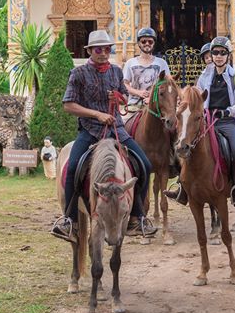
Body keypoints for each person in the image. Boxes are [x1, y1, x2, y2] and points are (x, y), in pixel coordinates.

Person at [51, 30, 157, 241]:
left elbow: (124, 98)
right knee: (72, 168)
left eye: (107, 49)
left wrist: (118, 97)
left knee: (145, 164)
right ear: (90, 51)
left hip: (117, 129)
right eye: (98, 49)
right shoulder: (78, 74)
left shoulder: (117, 72)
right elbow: (68, 105)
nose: (103, 53)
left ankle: (137, 216)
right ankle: (69, 220)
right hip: (91, 131)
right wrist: (97, 114)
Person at [166, 36, 235, 207]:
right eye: (215, 53)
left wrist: (227, 111)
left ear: (228, 55)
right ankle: (183, 187)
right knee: (184, 143)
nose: (218, 56)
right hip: (205, 119)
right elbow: (196, 96)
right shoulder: (205, 75)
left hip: (227, 120)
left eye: (222, 53)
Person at [123, 27, 171, 110]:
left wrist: (152, 98)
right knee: (123, 122)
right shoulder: (130, 63)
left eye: (150, 41)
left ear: (154, 43)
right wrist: (138, 92)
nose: (147, 43)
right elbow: (124, 84)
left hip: (157, 105)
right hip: (134, 105)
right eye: (143, 41)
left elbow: (167, 84)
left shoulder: (161, 63)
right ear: (139, 43)